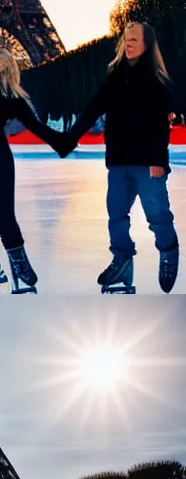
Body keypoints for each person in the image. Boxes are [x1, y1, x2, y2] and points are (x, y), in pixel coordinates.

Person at [65, 20, 179, 293]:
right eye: (126, 40)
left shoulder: (155, 82)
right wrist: (69, 137)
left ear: (146, 45)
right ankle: (122, 258)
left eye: (134, 40)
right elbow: (92, 111)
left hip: (146, 162)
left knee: (157, 214)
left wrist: (157, 161)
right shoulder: (113, 80)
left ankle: (168, 252)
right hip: (118, 161)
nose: (128, 45)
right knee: (115, 214)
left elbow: (158, 125)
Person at [0, 47, 68, 291]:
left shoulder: (14, 100)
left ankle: (18, 259)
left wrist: (61, 143)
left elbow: (36, 126)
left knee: (2, 214)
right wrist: (61, 142)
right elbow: (36, 126)